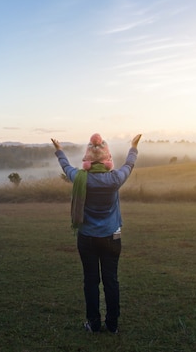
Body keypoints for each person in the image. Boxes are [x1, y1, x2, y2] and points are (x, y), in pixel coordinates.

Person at [51, 133, 142, 334]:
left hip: (87, 238)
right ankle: (112, 325)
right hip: (112, 237)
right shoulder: (115, 178)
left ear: (87, 160)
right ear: (107, 158)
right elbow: (129, 165)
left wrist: (59, 151)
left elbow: (66, 168)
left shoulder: (80, 178)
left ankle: (93, 323)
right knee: (111, 280)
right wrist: (133, 147)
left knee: (91, 281)